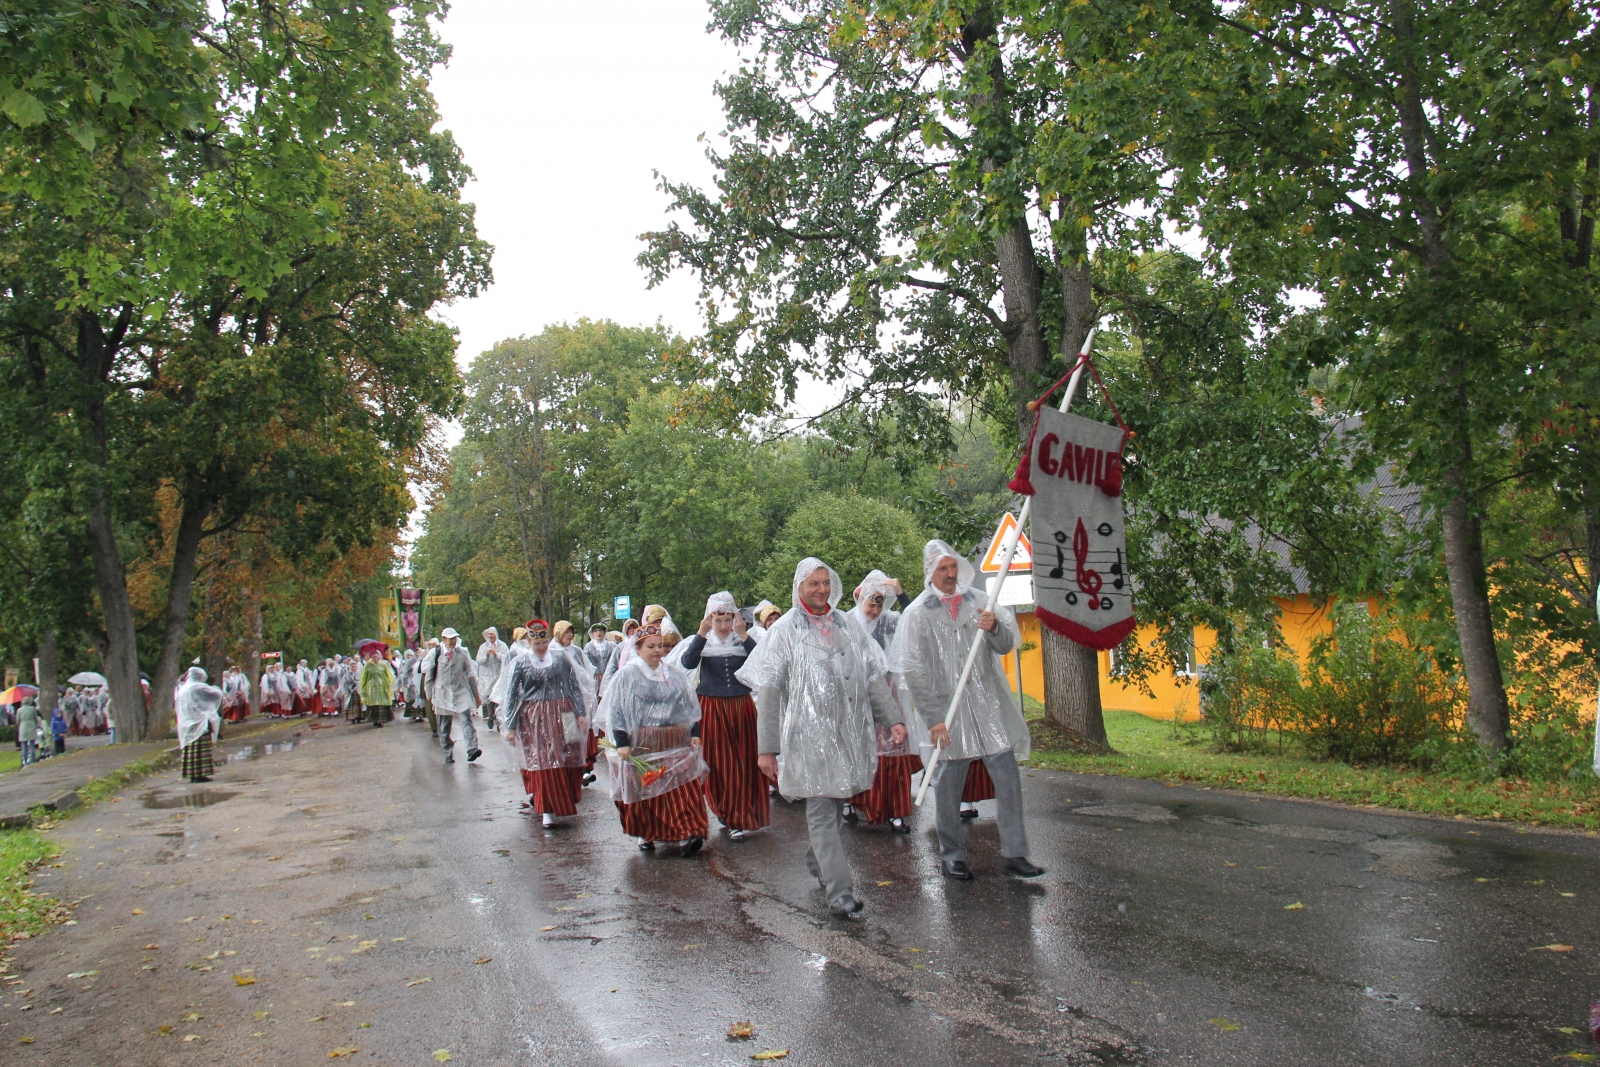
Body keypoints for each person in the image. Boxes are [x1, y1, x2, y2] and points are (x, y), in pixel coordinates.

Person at [737, 558, 907, 917]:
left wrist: (892, 719)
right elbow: (768, 690)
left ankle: (818, 862)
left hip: (846, 733)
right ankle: (840, 892)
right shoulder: (784, 631)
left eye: (826, 582)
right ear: (799, 587)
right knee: (821, 809)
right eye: (813, 583)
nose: (821, 589)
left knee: (832, 803)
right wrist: (767, 750)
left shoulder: (847, 624)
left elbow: (872, 676)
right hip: (805, 738)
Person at [889, 539, 1043, 880]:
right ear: (930, 571)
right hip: (949, 711)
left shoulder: (979, 601)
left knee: (1008, 778)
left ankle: (1016, 853)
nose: (949, 573)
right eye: (942, 568)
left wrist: (995, 628)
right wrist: (933, 718)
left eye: (952, 566)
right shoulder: (917, 613)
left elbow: (1004, 645)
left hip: (987, 708)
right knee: (948, 784)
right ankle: (953, 855)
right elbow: (913, 670)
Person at [601, 623, 708, 856]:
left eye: (660, 646)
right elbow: (616, 710)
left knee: (680, 786)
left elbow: (689, 705)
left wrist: (695, 733)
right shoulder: (627, 674)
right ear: (638, 648)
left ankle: (687, 832)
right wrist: (622, 742)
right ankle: (647, 832)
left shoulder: (673, 673)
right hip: (644, 741)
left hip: (674, 738)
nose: (657, 651)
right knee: (647, 787)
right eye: (651, 646)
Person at [678, 591, 766, 840]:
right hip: (712, 708)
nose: (724, 626)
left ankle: (743, 812)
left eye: (728, 620)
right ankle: (726, 813)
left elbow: (761, 661)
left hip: (741, 705)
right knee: (719, 763)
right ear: (710, 620)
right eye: (719, 621)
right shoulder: (702, 642)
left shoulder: (742, 641)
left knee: (744, 760)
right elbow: (687, 662)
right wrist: (701, 633)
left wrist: (743, 632)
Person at [843, 569, 921, 832]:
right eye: (870, 605)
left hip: (889, 690)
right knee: (859, 746)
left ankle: (896, 811)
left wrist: (900, 593)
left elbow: (914, 618)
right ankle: (850, 801)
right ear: (859, 598)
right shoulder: (846, 623)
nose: (874, 611)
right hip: (858, 694)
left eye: (879, 605)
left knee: (893, 746)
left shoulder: (890, 621)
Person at [500, 619, 596, 827]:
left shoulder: (561, 659)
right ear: (530, 643)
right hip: (534, 718)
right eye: (536, 645)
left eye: (544, 644)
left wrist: (580, 713)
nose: (541, 648)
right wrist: (510, 725)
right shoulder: (520, 662)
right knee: (543, 759)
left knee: (566, 754)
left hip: (563, 711)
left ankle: (566, 799)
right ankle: (547, 809)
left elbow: (573, 686)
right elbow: (511, 696)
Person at [420, 628, 482, 765]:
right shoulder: (435, 653)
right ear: (443, 639)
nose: (453, 641)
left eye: (454, 638)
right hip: (442, 693)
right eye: (450, 639)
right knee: (444, 725)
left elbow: (470, 674)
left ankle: (472, 748)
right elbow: (429, 675)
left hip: (460, 691)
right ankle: (448, 752)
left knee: (466, 720)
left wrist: (476, 694)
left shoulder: (462, 653)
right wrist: (429, 694)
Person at [176, 667, 224, 783]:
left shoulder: (183, 688)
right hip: (199, 722)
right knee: (201, 749)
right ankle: (201, 773)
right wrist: (214, 688)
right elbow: (216, 695)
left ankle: (192, 773)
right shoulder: (198, 686)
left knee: (191, 748)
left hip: (187, 722)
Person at [475, 627, 506, 731]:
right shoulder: (483, 647)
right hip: (487, 677)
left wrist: (496, 654)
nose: (490, 636)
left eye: (492, 634)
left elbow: (507, 658)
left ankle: (499, 720)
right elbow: (478, 660)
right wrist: (486, 655)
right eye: (488, 635)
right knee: (489, 699)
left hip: (498, 675)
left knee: (498, 698)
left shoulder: (502, 645)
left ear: (496, 634)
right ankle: (491, 716)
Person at [358, 647, 396, 727]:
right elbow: (364, 677)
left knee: (381, 703)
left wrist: (388, 684)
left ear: (379, 657)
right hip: (372, 686)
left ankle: (380, 720)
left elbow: (388, 675)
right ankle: (375, 720)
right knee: (373, 704)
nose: (375, 659)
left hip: (382, 686)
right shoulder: (368, 665)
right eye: (374, 657)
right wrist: (364, 687)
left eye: (377, 657)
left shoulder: (383, 665)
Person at [16, 696, 38, 766]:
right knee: (32, 744)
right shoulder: (32, 709)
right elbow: (35, 718)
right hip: (31, 726)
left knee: (24, 745)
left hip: (23, 727)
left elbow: (17, 720)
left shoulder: (19, 710)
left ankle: (25, 761)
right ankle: (33, 760)